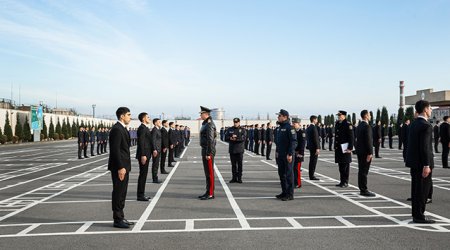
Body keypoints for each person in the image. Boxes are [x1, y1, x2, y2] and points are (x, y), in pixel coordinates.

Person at [406, 100, 435, 224]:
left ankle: (416, 214)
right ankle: (419, 215)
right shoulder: (426, 125)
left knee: (416, 189)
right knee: (423, 190)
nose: (431, 110)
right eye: (430, 108)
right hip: (422, 164)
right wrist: (427, 164)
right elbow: (425, 147)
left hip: (414, 163)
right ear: (425, 109)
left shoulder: (413, 124)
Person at [108, 107, 133, 229]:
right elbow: (115, 150)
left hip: (124, 166)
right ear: (122, 116)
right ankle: (117, 219)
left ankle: (121, 216)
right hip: (120, 167)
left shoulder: (122, 128)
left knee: (122, 193)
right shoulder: (117, 129)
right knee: (118, 192)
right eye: (128, 115)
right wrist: (120, 167)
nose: (130, 117)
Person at [274, 109, 297, 201]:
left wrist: (290, 153)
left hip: (288, 155)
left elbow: (293, 141)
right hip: (280, 154)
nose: (278, 117)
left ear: (285, 117)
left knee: (288, 174)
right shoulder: (279, 128)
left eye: (279, 116)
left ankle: (290, 194)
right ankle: (284, 192)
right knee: (281, 174)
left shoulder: (289, 128)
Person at [198, 106, 217, 200]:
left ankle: (210, 193)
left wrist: (209, 153)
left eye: (201, 114)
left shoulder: (209, 124)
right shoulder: (205, 124)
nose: (200, 115)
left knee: (210, 173)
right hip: (205, 149)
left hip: (207, 151)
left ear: (206, 114)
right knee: (207, 173)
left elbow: (210, 139)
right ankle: (207, 191)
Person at [356, 110, 375, 196]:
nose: (370, 116)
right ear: (366, 116)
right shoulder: (367, 126)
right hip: (365, 152)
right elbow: (368, 141)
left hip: (360, 151)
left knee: (361, 170)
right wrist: (370, 153)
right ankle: (364, 189)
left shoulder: (359, 126)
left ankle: (361, 188)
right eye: (369, 115)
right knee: (364, 171)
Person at [335, 110, 354, 188]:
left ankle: (345, 182)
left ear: (344, 116)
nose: (339, 117)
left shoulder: (347, 124)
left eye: (340, 115)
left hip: (346, 148)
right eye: (338, 115)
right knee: (341, 166)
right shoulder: (337, 123)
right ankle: (342, 181)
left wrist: (350, 148)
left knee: (345, 166)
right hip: (339, 148)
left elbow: (351, 137)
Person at [136, 112, 152, 202]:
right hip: (144, 154)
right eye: (147, 117)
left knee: (144, 175)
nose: (149, 118)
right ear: (143, 119)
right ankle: (140, 195)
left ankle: (142, 193)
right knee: (142, 175)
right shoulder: (142, 128)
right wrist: (143, 155)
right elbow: (141, 142)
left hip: (146, 154)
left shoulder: (145, 128)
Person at [225, 118, 246, 183]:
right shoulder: (230, 129)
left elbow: (243, 138)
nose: (235, 123)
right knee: (233, 165)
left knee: (240, 164)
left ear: (239, 122)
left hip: (239, 150)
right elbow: (225, 138)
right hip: (232, 149)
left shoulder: (242, 130)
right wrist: (231, 138)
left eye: (237, 122)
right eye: (234, 122)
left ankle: (239, 178)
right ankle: (234, 178)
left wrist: (235, 139)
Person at [306, 115, 320, 181]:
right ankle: (312, 175)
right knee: (313, 161)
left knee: (311, 161)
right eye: (316, 119)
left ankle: (311, 174)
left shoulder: (308, 127)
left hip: (311, 147)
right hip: (314, 147)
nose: (317, 121)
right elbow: (315, 138)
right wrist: (317, 147)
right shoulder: (313, 128)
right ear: (314, 120)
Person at [292, 118, 306, 188]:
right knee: (293, 168)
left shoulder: (302, 132)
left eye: (294, 124)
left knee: (297, 168)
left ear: (298, 124)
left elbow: (302, 144)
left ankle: (298, 183)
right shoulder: (294, 131)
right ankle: (294, 182)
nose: (293, 125)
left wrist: (301, 153)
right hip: (294, 152)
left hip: (298, 153)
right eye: (293, 123)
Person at [151, 118, 162, 184]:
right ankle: (155, 178)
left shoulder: (158, 129)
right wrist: (154, 149)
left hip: (158, 149)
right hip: (156, 150)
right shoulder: (154, 130)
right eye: (158, 122)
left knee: (156, 164)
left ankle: (155, 177)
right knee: (155, 164)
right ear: (155, 123)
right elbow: (153, 140)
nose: (160, 123)